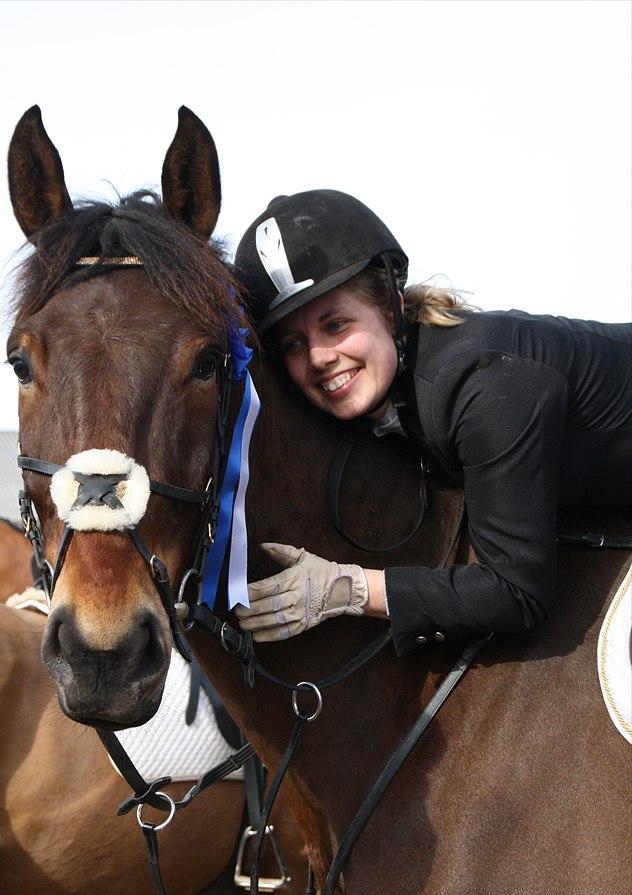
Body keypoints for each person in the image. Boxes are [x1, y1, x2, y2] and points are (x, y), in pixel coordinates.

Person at [232, 191, 632, 651]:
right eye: (294, 344)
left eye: (336, 324)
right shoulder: (396, 386)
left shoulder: (476, 389)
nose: (320, 356)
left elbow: (516, 594)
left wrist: (351, 589)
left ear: (390, 307)